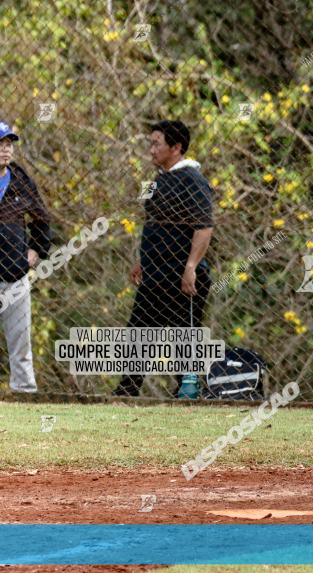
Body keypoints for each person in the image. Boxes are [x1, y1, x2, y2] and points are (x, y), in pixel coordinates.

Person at [114, 120, 215, 397]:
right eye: (151, 143)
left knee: (184, 339)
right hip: (155, 275)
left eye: (157, 143)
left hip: (181, 276)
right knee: (138, 334)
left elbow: (204, 227)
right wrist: (142, 261)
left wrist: (191, 267)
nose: (151, 149)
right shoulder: (159, 181)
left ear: (176, 147)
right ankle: (126, 392)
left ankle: (191, 394)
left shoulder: (192, 180)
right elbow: (155, 225)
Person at [0, 121, 52, 393]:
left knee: (20, 339)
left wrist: (36, 250)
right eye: (0, 144)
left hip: (13, 271)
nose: (5, 150)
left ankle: (24, 393)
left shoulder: (20, 180)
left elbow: (42, 218)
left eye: (8, 144)